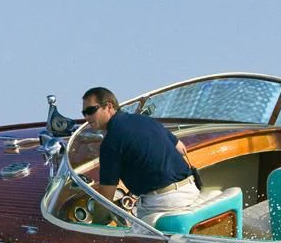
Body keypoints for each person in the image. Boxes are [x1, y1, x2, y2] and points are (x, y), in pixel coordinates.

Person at [81, 87, 201, 219]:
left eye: (91, 111)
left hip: (163, 203)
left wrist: (97, 222)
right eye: (84, 113)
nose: (87, 117)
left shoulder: (111, 142)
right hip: (191, 190)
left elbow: (106, 199)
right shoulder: (145, 120)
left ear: (109, 107)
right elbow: (182, 149)